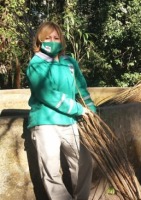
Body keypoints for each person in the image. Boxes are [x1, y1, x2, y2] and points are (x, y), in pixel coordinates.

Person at [26, 21, 96, 200]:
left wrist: (91, 108)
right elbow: (46, 93)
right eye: (47, 38)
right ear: (40, 41)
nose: (52, 41)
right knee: (51, 171)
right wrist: (77, 108)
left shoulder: (69, 62)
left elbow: (81, 88)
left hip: (70, 122)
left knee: (83, 163)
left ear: (62, 40)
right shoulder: (36, 63)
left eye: (56, 38)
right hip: (45, 124)